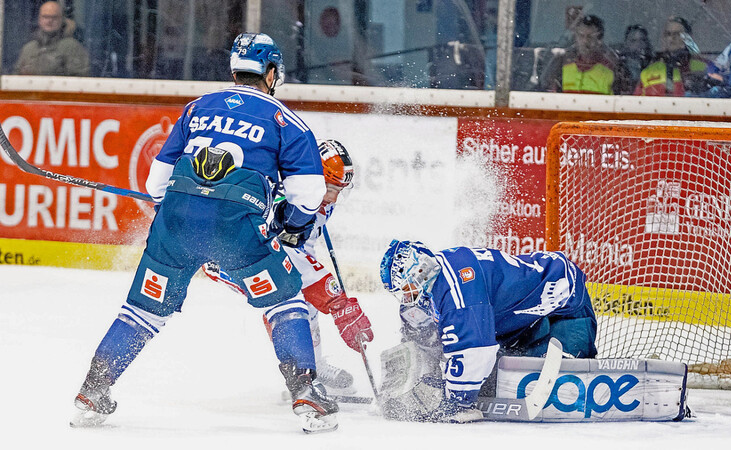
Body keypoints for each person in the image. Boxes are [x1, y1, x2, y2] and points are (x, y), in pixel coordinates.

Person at [70, 33, 371, 434]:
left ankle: (92, 391)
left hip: (174, 224)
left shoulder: (197, 108)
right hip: (239, 225)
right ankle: (307, 394)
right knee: (284, 301)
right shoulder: (285, 119)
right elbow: (309, 194)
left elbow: (155, 182)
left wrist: (184, 213)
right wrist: (294, 227)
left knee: (142, 311)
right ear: (271, 73)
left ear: (233, 70)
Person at [202, 139, 371, 397]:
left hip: (270, 254)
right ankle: (302, 379)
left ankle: (314, 365)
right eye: (329, 188)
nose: (333, 196)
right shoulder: (285, 200)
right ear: (313, 179)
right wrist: (336, 299)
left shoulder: (318, 198)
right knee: (287, 298)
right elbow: (285, 256)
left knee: (305, 298)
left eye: (340, 189)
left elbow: (304, 248)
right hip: (230, 258)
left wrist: (323, 293)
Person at [379, 241, 597, 422]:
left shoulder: (461, 290)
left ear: (420, 270)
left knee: (566, 379)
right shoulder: (432, 281)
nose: (407, 296)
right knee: (493, 374)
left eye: (407, 288)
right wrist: (418, 377)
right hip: (514, 321)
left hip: (563, 304)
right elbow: (421, 337)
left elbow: (476, 350)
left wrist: (457, 402)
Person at [540, 15, 629, 95]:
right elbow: (547, 91)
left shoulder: (612, 67)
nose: (585, 41)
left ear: (599, 40)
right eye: (581, 36)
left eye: (590, 37)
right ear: (575, 38)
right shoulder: (561, 63)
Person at [634, 17, 708, 97]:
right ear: (663, 39)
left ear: (688, 38)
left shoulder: (704, 67)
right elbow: (636, 104)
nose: (672, 38)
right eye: (668, 34)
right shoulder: (648, 73)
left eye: (677, 34)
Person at [14, 1, 90, 76]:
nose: (49, 21)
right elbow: (15, 78)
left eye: (54, 17)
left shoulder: (72, 47)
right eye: (45, 17)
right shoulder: (29, 49)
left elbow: (80, 81)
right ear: (39, 20)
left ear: (62, 20)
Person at [617, 25, 653, 95]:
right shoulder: (618, 68)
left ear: (646, 43)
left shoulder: (654, 67)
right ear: (626, 43)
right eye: (633, 41)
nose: (638, 44)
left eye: (642, 40)